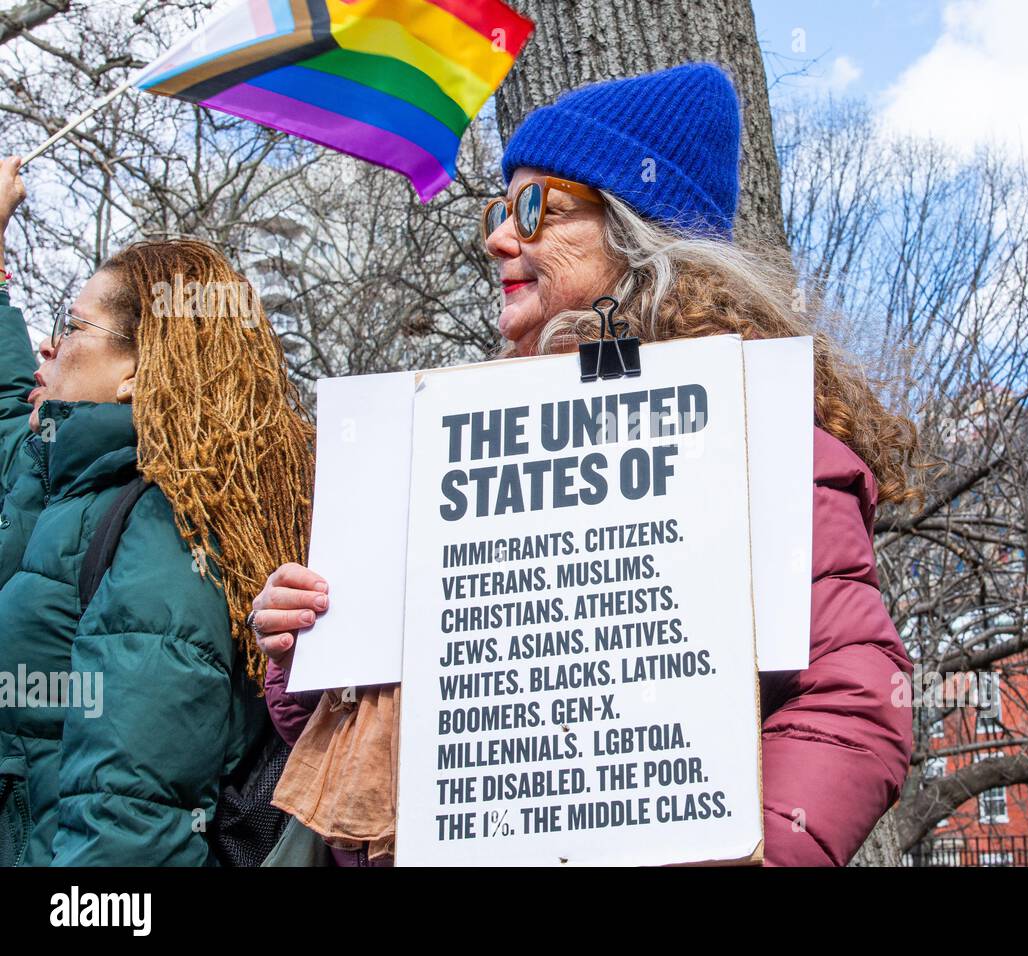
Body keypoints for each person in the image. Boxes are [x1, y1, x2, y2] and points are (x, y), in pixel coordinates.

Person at [252, 62, 923, 866]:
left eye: (537, 208)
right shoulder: (452, 439)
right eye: (500, 211)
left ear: (636, 235)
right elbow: (369, 752)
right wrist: (312, 655)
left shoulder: (756, 437)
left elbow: (852, 703)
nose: (500, 237)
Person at [0, 156, 315, 865]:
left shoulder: (164, 529)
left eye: (71, 324)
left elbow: (126, 819)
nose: (48, 346)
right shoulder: (75, 480)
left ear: (139, 372)